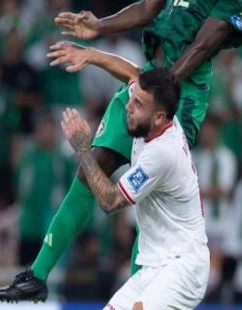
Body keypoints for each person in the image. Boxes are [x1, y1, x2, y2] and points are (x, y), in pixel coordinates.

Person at [0, 0, 242, 302]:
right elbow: (147, 8)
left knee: (147, 189)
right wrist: (100, 27)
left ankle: (146, 288)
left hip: (180, 95)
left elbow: (200, 49)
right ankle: (36, 275)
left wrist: (155, 92)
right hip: (144, 82)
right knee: (93, 169)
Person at [61, 68, 207, 309]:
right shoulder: (151, 110)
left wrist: (83, 150)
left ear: (159, 118)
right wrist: (89, 56)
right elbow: (130, 73)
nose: (128, 106)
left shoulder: (162, 153)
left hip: (183, 267)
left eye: (137, 104)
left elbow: (109, 202)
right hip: (154, 265)